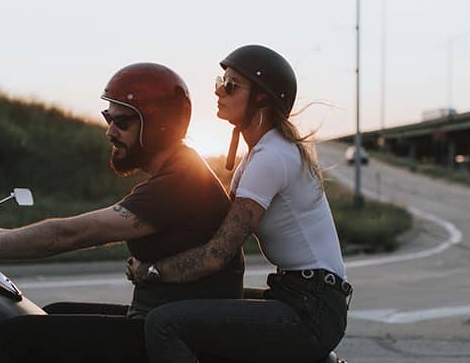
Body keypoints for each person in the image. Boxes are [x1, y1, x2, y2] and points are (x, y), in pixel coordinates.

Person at [0, 62, 244, 362]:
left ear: (157, 126)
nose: (110, 131)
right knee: (52, 312)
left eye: (122, 122)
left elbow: (68, 235)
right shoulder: (180, 173)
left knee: (14, 335)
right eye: (108, 118)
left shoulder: (181, 183)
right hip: (154, 319)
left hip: (171, 335)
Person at [128, 45, 352, 363]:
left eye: (231, 85)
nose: (219, 91)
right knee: (202, 305)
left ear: (261, 97)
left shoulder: (272, 157)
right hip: (300, 297)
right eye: (220, 82)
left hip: (311, 311)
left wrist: (152, 272)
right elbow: (211, 226)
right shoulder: (261, 154)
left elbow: (217, 254)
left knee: (165, 323)